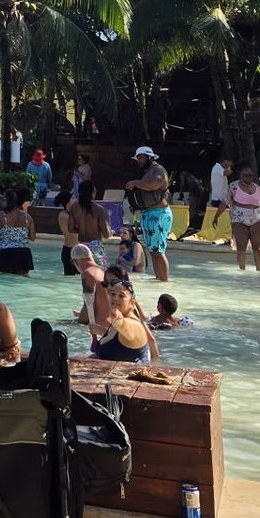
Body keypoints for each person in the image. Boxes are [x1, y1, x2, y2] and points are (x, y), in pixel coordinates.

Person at [123, 146, 173, 282]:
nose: (139, 160)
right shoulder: (149, 171)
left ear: (150, 157)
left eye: (142, 157)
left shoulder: (158, 170)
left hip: (159, 214)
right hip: (149, 214)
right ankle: (159, 279)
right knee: (153, 251)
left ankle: (164, 281)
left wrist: (135, 182)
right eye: (138, 158)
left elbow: (154, 185)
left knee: (158, 250)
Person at [92, 279, 160, 363]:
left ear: (132, 303)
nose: (115, 298)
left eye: (121, 296)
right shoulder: (116, 321)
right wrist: (102, 331)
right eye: (113, 294)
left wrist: (119, 321)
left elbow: (125, 327)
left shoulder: (135, 325)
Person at [227, 167, 260, 271]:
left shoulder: (258, 188)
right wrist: (216, 216)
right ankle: (242, 271)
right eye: (245, 175)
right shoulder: (233, 187)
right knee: (241, 248)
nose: (248, 178)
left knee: (257, 248)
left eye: (250, 175)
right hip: (239, 219)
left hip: (256, 219)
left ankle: (259, 273)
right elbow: (225, 202)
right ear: (240, 175)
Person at [59, 179, 109, 274]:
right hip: (95, 247)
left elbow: (71, 229)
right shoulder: (99, 209)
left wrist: (82, 230)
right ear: (92, 193)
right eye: (94, 190)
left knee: (84, 277)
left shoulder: (74, 208)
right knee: (100, 276)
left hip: (81, 247)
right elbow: (106, 234)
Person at [0, 184, 36, 275]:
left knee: (4, 282)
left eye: (4, 199)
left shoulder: (1, 216)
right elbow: (33, 238)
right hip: (24, 255)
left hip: (5, 254)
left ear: (7, 201)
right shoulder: (28, 217)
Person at [70, 242, 108, 331]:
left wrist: (75, 322)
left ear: (75, 261)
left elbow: (88, 312)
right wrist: (81, 314)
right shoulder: (103, 270)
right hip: (109, 323)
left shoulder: (87, 274)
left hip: (99, 326)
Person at [204, 155, 233, 240]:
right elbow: (228, 173)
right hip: (218, 199)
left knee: (223, 218)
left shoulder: (220, 169)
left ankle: (223, 235)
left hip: (222, 198)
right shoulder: (217, 167)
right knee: (220, 218)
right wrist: (228, 165)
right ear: (224, 161)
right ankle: (218, 235)